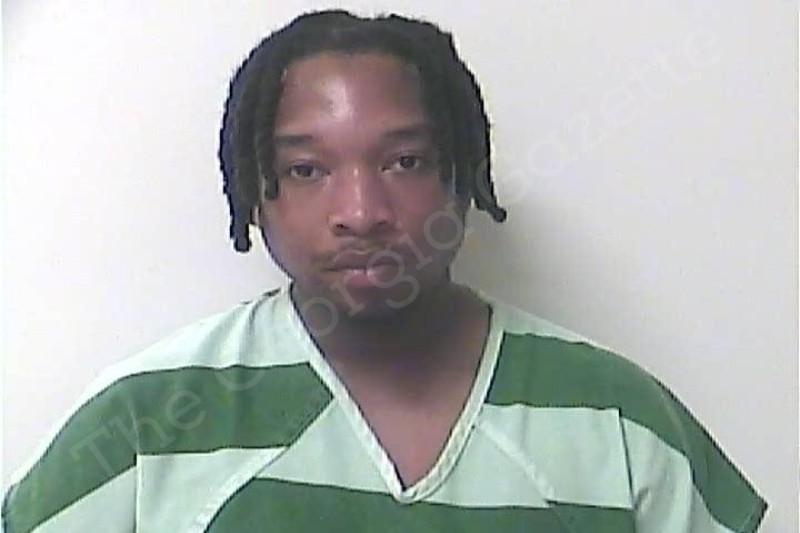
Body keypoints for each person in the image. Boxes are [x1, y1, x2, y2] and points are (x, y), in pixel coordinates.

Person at [2, 9, 766, 532]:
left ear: (463, 175)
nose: (362, 211)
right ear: (256, 191)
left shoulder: (617, 419)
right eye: (307, 169)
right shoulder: (148, 421)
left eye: (405, 161)